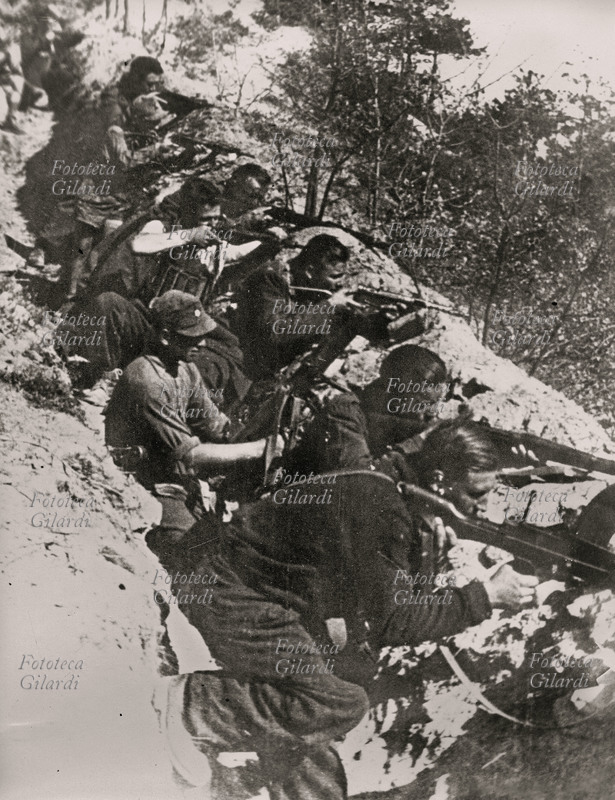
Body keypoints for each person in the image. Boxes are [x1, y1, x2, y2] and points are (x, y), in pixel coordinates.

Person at [153, 419, 537, 799]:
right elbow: (394, 622)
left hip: (263, 594)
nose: (484, 508)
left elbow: (381, 602)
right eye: (476, 493)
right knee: (334, 701)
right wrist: (484, 597)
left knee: (342, 684)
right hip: (229, 590)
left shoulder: (392, 494)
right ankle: (190, 703)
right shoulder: (383, 508)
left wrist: (428, 563)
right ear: (439, 479)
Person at [104, 290, 271, 558]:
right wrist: (258, 448)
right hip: (140, 476)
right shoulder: (149, 379)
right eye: (191, 337)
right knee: (189, 548)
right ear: (165, 336)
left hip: (172, 472)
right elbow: (191, 456)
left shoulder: (184, 368)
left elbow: (215, 424)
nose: (202, 344)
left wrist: (256, 430)